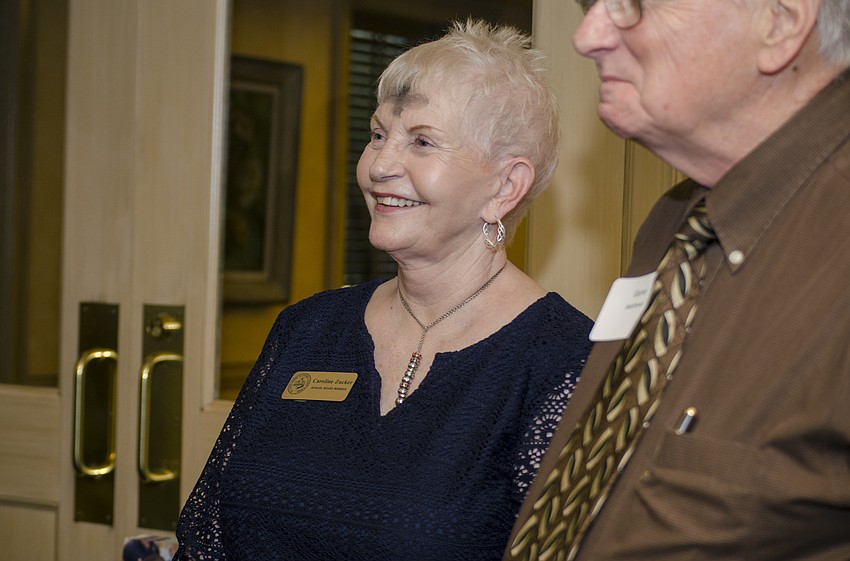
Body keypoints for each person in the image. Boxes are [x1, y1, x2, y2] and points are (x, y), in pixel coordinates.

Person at [174, 20, 593, 561]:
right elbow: (206, 539)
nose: (379, 166)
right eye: (377, 135)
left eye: (421, 141)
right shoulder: (306, 329)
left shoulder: (565, 361)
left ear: (505, 186)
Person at [506, 0, 850, 560]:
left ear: (781, 22)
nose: (587, 37)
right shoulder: (677, 219)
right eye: (591, 6)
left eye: (632, 6)